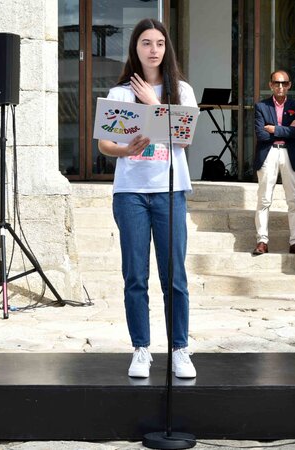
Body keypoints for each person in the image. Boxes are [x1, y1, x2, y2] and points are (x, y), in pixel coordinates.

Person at [97, 18, 197, 379]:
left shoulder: (181, 91)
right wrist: (126, 149)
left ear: (166, 48)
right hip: (131, 193)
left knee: (175, 277)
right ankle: (141, 349)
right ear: (135, 48)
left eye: (159, 43)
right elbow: (105, 144)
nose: (153, 49)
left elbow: (184, 138)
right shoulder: (120, 93)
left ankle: (179, 349)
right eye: (146, 43)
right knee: (135, 276)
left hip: (170, 190)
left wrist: (155, 103)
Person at [252, 69, 295, 257]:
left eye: (284, 83)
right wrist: (287, 129)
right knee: (264, 199)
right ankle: (262, 241)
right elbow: (261, 134)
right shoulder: (261, 106)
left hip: (289, 154)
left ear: (289, 85)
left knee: (293, 200)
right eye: (277, 83)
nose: (280, 86)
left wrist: (274, 129)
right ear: (271, 85)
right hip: (268, 154)